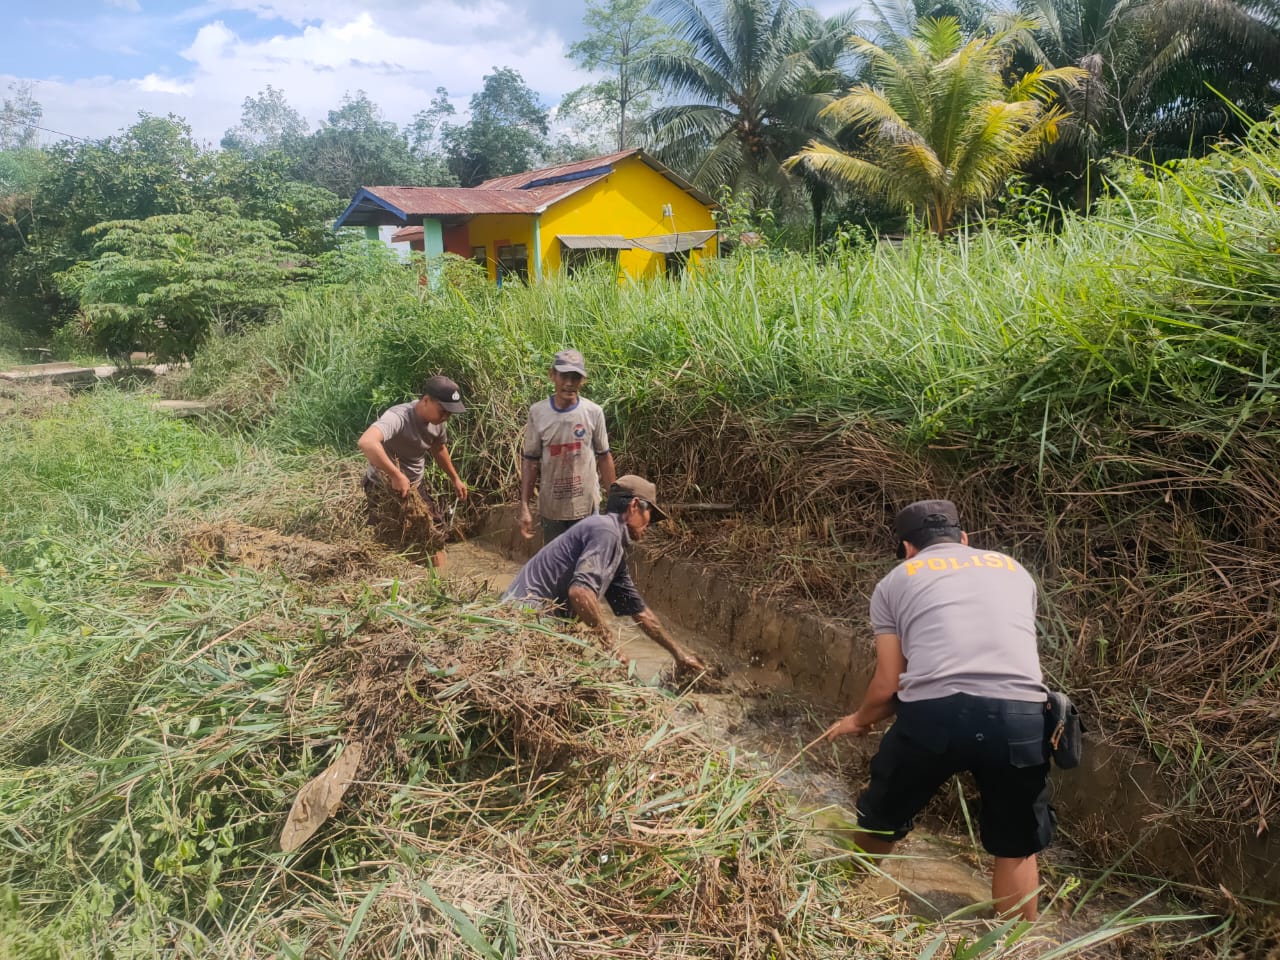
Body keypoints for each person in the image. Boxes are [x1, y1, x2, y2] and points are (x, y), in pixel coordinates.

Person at [824, 499, 1054, 921]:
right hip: (1020, 716)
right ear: (963, 538)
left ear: (908, 548)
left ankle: (841, 905)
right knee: (1018, 843)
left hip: (936, 717)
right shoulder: (1014, 570)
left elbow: (888, 683)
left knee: (882, 815)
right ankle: (1018, 944)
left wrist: (858, 720)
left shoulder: (896, 581)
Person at [503, 475, 706, 674]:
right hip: (525, 618)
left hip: (530, 620)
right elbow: (580, 593)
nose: (649, 523)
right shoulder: (606, 531)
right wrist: (611, 645)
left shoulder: (611, 544)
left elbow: (640, 612)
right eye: (650, 514)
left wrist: (679, 654)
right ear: (635, 506)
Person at [357, 375, 470, 564]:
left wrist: (455, 478)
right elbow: (367, 442)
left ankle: (440, 578)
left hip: (415, 487)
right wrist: (395, 474)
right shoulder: (398, 417)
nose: (445, 417)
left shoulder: (438, 423)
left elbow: (439, 448)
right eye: (443, 411)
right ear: (426, 400)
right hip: (382, 487)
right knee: (386, 538)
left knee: (435, 534)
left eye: (449, 414)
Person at [518, 349, 615, 543]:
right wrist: (524, 507)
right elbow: (530, 462)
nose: (569, 383)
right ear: (552, 375)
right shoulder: (538, 413)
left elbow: (604, 457)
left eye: (575, 377)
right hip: (552, 510)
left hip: (586, 507)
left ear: (583, 380)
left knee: (587, 559)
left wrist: (615, 504)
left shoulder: (593, 412)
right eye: (564, 376)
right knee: (556, 560)